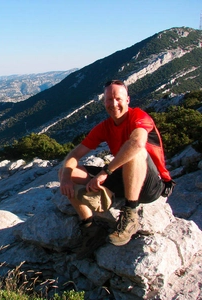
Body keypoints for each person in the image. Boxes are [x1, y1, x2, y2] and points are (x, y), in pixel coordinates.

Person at [59, 80, 175, 258]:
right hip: (124, 177)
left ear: (128, 100)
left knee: (134, 151)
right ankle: (90, 228)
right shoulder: (105, 127)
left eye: (118, 98)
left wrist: (105, 172)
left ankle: (130, 214)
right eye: (108, 99)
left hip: (150, 184)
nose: (113, 104)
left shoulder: (140, 117)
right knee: (66, 171)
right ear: (104, 102)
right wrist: (66, 177)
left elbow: (137, 143)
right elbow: (74, 155)